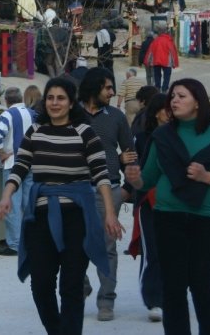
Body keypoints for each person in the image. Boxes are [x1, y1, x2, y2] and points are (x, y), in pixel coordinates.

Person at [124, 79, 210, 335]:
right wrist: (136, 179)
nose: (174, 101)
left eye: (181, 96)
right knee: (173, 288)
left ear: (198, 102)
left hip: (207, 220)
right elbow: (150, 178)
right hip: (168, 218)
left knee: (204, 286)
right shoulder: (162, 135)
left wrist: (208, 177)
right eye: (172, 98)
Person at [0, 77, 124, 335]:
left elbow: (101, 175)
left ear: (70, 102)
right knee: (41, 283)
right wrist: (7, 195)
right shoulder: (36, 131)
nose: (55, 103)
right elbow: (20, 167)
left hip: (77, 215)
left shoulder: (84, 132)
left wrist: (110, 213)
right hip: (41, 215)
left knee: (71, 284)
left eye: (61, 98)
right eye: (51, 98)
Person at [76, 67, 136, 322]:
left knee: (107, 248)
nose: (112, 93)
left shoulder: (116, 117)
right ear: (93, 89)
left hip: (108, 190)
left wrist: (126, 189)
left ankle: (106, 301)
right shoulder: (72, 115)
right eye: (108, 88)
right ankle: (81, 285)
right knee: (71, 244)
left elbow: (131, 155)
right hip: (76, 189)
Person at [127, 92, 171, 324]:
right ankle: (154, 299)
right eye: (166, 109)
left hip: (177, 202)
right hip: (149, 202)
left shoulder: (182, 135)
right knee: (152, 251)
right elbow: (135, 167)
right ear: (156, 112)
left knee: (173, 252)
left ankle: (171, 296)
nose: (170, 113)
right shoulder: (142, 138)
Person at [0, 87, 38, 255]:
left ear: (6, 101)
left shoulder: (7, 115)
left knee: (12, 204)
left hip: (13, 164)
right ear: (21, 98)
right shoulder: (33, 114)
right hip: (32, 164)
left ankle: (14, 244)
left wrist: (1, 153)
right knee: (29, 204)